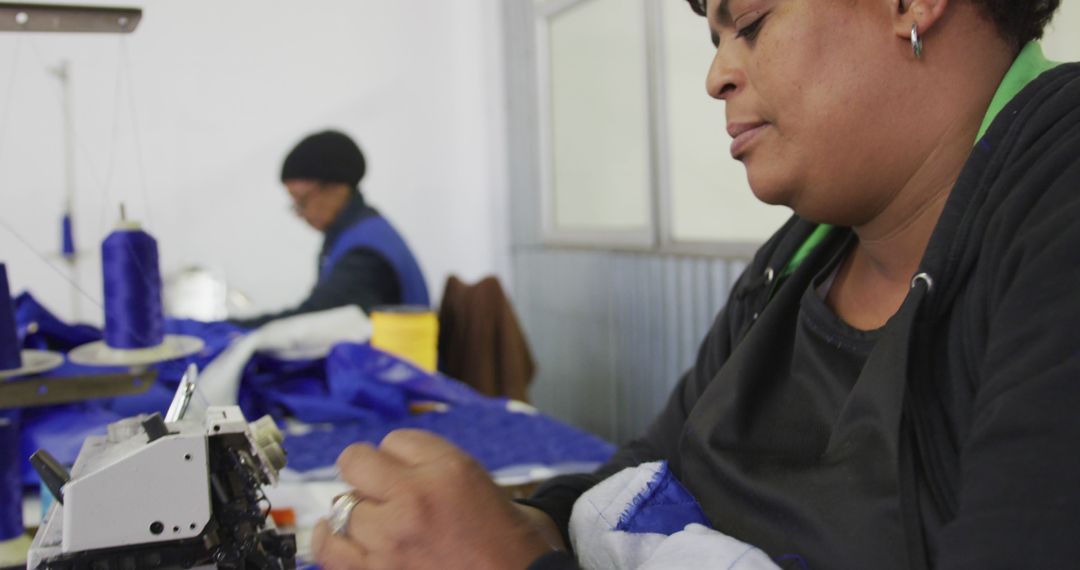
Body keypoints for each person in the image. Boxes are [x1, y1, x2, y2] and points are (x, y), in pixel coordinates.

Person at [312, 0, 1080, 568]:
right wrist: (520, 525)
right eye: (712, 38)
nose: (717, 75)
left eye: (749, 22)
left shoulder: (1057, 199)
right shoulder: (802, 256)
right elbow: (646, 468)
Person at [231, 130, 429, 329]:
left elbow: (316, 320)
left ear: (337, 188)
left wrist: (232, 329)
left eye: (301, 201)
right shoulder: (358, 229)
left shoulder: (365, 254)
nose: (299, 213)